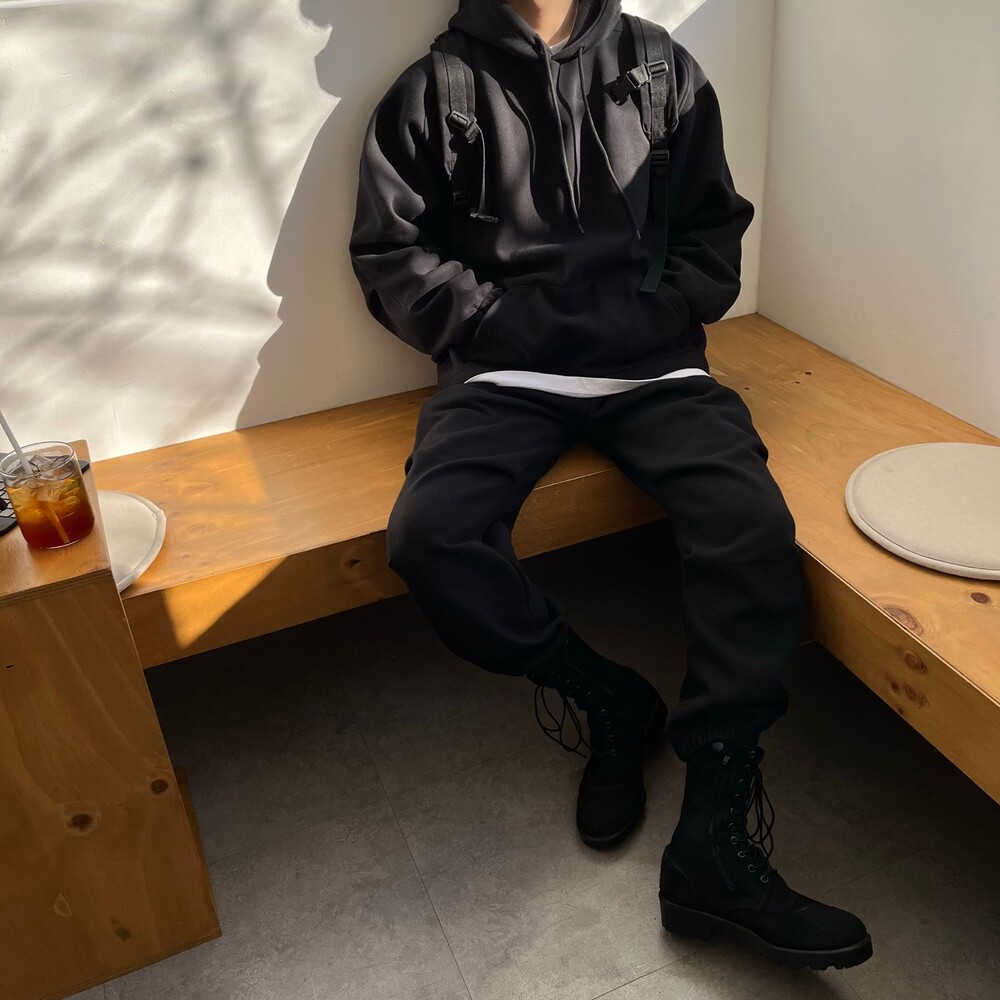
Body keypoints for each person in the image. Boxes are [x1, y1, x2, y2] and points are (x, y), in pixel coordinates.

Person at [349, 0, 872, 971]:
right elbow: (392, 254)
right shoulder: (434, 88)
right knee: (431, 538)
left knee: (750, 529)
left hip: (655, 367)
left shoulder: (659, 68)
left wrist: (662, 310)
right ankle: (610, 701)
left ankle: (713, 840)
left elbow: (713, 223)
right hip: (504, 374)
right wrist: (496, 324)